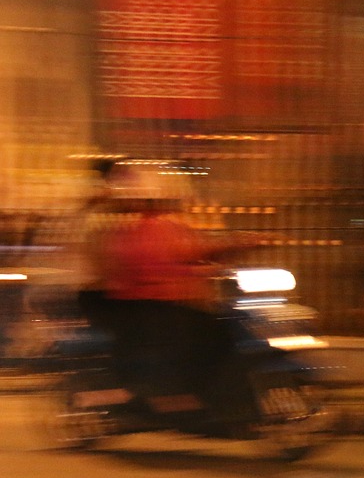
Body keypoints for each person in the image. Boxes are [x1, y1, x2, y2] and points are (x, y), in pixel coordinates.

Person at [99, 165, 262, 418]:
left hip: (148, 307)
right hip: (161, 308)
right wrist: (238, 245)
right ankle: (213, 403)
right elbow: (191, 252)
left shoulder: (135, 229)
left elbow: (190, 255)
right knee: (218, 335)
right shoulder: (155, 228)